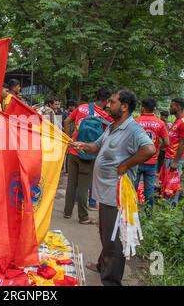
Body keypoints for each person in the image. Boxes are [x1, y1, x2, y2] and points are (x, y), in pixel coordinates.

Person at [73, 88, 155, 286]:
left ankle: (111, 280)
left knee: (113, 239)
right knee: (105, 232)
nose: (108, 105)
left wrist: (126, 165)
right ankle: (103, 265)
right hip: (104, 191)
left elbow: (150, 149)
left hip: (116, 193)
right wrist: (83, 145)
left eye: (112, 102)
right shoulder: (111, 125)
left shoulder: (132, 129)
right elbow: (97, 146)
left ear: (124, 107)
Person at [63, 88, 113, 223]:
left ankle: (67, 212)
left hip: (73, 151)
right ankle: (83, 217)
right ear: (106, 101)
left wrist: (69, 142)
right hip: (88, 154)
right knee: (84, 187)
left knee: (71, 184)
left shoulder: (82, 107)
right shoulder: (105, 117)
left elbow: (67, 121)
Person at [134, 98, 169, 211]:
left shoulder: (136, 121)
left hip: (136, 160)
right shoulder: (160, 123)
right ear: (154, 109)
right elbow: (167, 143)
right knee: (149, 189)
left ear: (142, 107)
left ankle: (131, 213)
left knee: (132, 187)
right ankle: (149, 214)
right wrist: (157, 149)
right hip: (152, 160)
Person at [165, 97, 184, 206]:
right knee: (168, 181)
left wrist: (175, 161)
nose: (170, 108)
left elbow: (183, 143)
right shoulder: (177, 121)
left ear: (178, 107)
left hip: (175, 158)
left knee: (173, 182)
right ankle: (168, 202)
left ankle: (172, 205)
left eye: (172, 106)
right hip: (170, 156)